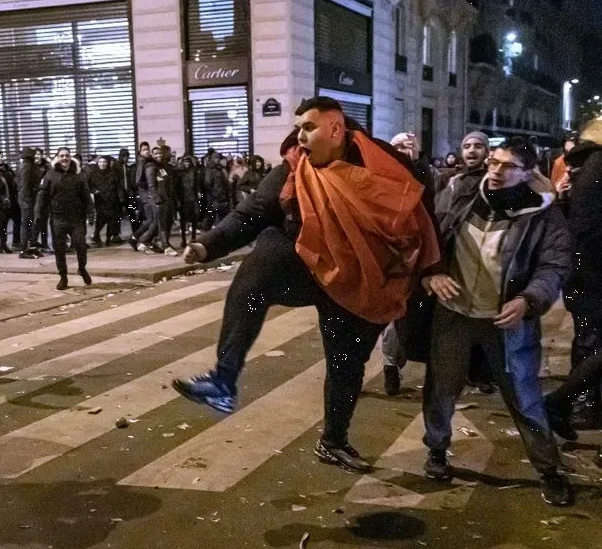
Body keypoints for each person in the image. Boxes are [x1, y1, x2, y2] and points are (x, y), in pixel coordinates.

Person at [173, 97, 440, 474]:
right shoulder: (294, 167)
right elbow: (252, 212)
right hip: (307, 266)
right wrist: (207, 245)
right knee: (257, 272)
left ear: (336, 129)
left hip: (360, 278)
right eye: (298, 127)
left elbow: (419, 206)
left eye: (308, 127)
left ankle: (333, 441)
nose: (299, 136)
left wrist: (433, 266)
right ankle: (223, 379)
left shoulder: (381, 160)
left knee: (346, 364)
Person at [421, 136, 573, 506]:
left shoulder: (542, 213)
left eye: (506, 166)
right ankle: (437, 451)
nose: (495, 170)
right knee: (441, 387)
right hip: (453, 314)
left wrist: (528, 299)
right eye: (493, 161)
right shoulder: (462, 193)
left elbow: (554, 265)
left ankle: (548, 469)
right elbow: (428, 238)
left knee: (524, 395)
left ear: (526, 172)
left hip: (507, 321)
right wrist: (431, 273)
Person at [545, 119, 602, 446]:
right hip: (593, 272)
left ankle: (569, 402)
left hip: (585, 272)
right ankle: (566, 401)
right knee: (591, 342)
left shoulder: (587, 167)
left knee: (591, 341)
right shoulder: (597, 168)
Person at [436, 131, 497, 394]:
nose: (472, 151)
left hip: (486, 260)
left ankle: (481, 372)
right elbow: (440, 215)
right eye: (467, 146)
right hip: (455, 257)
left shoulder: (495, 181)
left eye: (478, 146)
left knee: (485, 320)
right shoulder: (452, 181)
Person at [379, 132, 439, 395]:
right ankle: (390, 366)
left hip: (421, 256)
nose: (403, 151)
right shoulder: (379, 175)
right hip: (390, 258)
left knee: (418, 318)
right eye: (397, 146)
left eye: (408, 147)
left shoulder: (428, 174)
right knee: (393, 318)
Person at [35, 147, 93, 290]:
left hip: (76, 218)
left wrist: (91, 213)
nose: (65, 159)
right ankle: (63, 277)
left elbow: (86, 196)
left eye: (67, 156)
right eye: (62, 156)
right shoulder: (50, 175)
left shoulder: (78, 175)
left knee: (80, 244)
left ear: (70, 157)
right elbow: (42, 196)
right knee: (59, 249)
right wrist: (37, 214)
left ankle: (82, 268)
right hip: (58, 218)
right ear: (57, 158)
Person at [88, 156, 124, 247]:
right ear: (98, 163)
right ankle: (96, 235)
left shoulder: (113, 174)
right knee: (100, 219)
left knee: (111, 221)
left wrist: (120, 197)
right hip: (100, 200)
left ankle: (108, 239)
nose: (102, 164)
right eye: (100, 162)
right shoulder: (93, 174)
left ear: (107, 163)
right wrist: (94, 190)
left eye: (104, 162)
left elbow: (118, 186)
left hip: (112, 200)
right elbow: (89, 185)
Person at [17, 147, 44, 259]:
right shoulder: (27, 167)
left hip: (27, 199)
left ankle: (29, 247)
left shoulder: (26, 166)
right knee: (27, 224)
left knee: (29, 224)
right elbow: (25, 186)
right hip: (27, 200)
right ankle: (24, 249)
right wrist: (28, 200)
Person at [176, 153, 201, 248]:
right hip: (183, 198)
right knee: (183, 221)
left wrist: (198, 192)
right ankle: (183, 239)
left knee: (194, 219)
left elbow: (197, 183)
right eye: (185, 161)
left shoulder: (194, 171)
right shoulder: (179, 172)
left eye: (188, 161)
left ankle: (193, 238)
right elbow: (177, 186)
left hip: (192, 198)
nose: (187, 163)